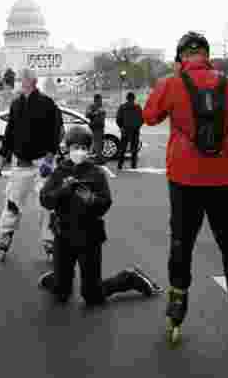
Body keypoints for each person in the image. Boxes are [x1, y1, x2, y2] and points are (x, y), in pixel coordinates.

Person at [143, 31, 228, 343]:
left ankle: (177, 305)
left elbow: (149, 117)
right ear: (207, 54)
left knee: (181, 242)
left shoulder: (171, 83)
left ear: (181, 57)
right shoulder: (227, 83)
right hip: (223, 177)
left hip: (184, 178)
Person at [38, 125, 162, 304]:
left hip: (89, 237)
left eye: (83, 148)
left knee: (92, 295)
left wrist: (91, 199)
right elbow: (45, 200)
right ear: (68, 149)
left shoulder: (96, 173)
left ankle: (129, 278)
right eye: (75, 148)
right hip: (63, 235)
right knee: (61, 293)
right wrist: (62, 190)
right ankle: (58, 278)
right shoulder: (60, 172)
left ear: (89, 150)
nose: (79, 152)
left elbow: (105, 204)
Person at [0, 68, 63, 260]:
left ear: (32, 82)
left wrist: (50, 158)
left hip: (43, 162)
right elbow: (10, 132)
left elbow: (56, 131)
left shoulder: (47, 103)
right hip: (21, 163)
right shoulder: (16, 104)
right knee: (12, 201)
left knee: (46, 205)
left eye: (23, 79)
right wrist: (3, 155)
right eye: (20, 78)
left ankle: (49, 240)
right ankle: (6, 234)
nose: (20, 81)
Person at [115, 91, 143, 170]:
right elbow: (142, 119)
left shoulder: (122, 107)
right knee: (134, 148)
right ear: (134, 98)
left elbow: (118, 119)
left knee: (123, 148)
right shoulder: (138, 107)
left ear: (127, 98)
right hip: (135, 130)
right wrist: (138, 127)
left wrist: (121, 127)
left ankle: (120, 165)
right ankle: (133, 165)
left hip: (125, 130)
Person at [86, 93, 107, 164]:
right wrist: (96, 113)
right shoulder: (92, 106)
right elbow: (87, 114)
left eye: (101, 100)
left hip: (101, 127)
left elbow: (103, 114)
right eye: (100, 100)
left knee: (100, 143)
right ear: (96, 100)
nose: (101, 101)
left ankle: (98, 157)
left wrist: (101, 113)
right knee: (97, 143)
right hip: (95, 127)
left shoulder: (101, 106)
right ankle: (99, 159)